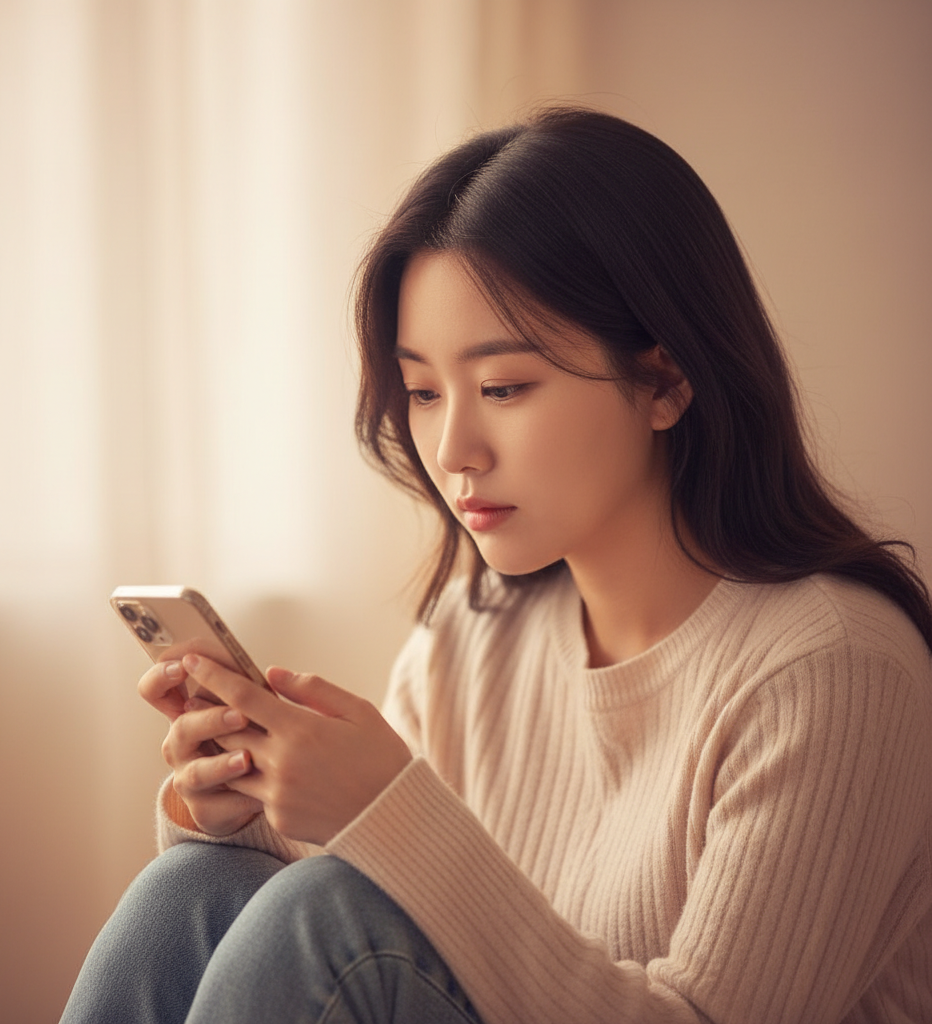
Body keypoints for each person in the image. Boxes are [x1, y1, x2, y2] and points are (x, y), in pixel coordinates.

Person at [60, 107, 932, 1024]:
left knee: (330, 918)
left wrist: (389, 810)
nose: (453, 448)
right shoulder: (476, 633)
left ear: (667, 381)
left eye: (505, 388)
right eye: (424, 393)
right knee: (195, 888)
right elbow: (384, 953)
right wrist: (248, 813)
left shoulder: (833, 666)